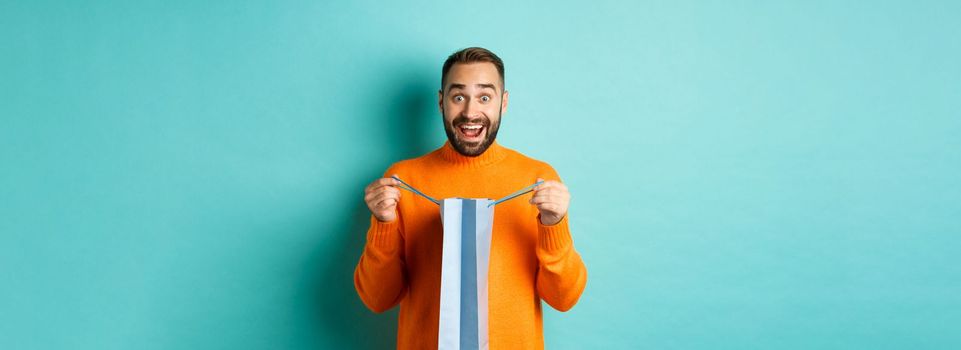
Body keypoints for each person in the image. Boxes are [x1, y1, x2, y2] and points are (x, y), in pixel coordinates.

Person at [354, 47, 587, 349]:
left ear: (503, 103)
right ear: (441, 102)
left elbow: (564, 298)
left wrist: (554, 225)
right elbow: (377, 299)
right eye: (458, 96)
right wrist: (383, 224)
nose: (470, 112)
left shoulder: (536, 179)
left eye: (485, 97)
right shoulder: (404, 181)